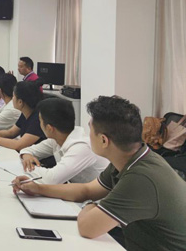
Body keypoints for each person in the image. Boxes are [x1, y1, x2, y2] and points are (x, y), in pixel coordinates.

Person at [13, 96, 186, 250]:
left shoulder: (140, 178)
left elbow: (88, 227)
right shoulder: (129, 158)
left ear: (104, 140)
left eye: (90, 129)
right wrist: (38, 188)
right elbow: (87, 190)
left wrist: (91, 205)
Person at [19, 98, 108, 184]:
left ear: (50, 128)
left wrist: (29, 167)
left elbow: (52, 179)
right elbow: (28, 150)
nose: (39, 124)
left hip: (97, 194)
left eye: (40, 120)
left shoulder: (81, 146)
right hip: (77, 190)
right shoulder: (56, 139)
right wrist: (26, 156)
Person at [0, 80, 46, 151]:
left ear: (20, 102)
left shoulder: (38, 119)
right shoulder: (25, 113)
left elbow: (18, 145)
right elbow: (11, 133)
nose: (12, 99)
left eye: (14, 96)